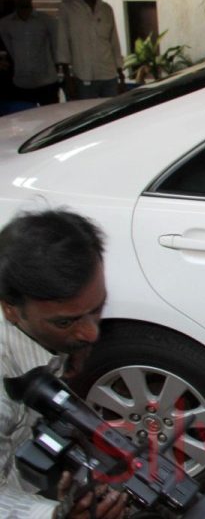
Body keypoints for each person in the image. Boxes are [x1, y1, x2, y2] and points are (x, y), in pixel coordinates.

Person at [0, 209, 128, 518]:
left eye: (97, 308)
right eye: (65, 322)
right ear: (11, 310)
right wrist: (55, 515)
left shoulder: (40, 327)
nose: (91, 333)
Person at [56, 0, 125, 100]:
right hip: (83, 75)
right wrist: (68, 78)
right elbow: (62, 43)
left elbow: (114, 41)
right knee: (88, 113)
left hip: (108, 74)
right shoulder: (68, 7)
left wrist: (120, 73)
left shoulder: (105, 9)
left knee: (111, 113)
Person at [0, 0, 60, 106]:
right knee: (27, 122)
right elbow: (10, 50)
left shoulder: (47, 21)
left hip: (47, 82)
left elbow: (56, 49)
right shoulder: (5, 24)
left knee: (50, 120)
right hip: (21, 84)